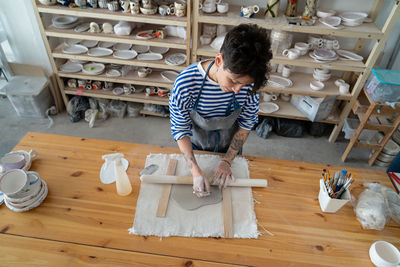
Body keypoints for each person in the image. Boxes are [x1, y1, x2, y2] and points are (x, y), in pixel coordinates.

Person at [169, 24, 272, 197]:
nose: (239, 89)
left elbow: (246, 124)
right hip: (196, 146)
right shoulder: (186, 84)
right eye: (233, 81)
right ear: (219, 60)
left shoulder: (249, 87)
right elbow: (180, 129)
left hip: (230, 147)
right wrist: (194, 169)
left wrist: (227, 161)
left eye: (245, 84)